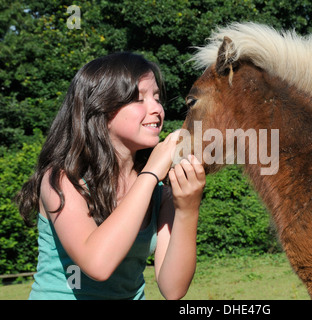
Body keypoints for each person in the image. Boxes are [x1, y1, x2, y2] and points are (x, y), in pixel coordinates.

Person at [15, 52, 205, 300]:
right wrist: (149, 175)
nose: (157, 109)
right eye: (139, 99)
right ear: (100, 108)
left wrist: (187, 209)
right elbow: (97, 264)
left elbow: (173, 288)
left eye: (157, 98)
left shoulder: (159, 189)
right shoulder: (61, 179)